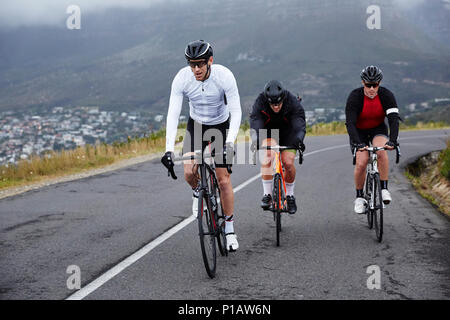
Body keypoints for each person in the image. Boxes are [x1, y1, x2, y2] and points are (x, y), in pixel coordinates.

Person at [161, 40, 242, 251]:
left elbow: (236, 111)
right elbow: (173, 113)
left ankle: (230, 230)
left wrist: (230, 143)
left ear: (210, 61)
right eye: (191, 64)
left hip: (221, 126)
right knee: (188, 172)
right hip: (196, 125)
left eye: (200, 64)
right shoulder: (182, 78)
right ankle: (198, 191)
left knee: (223, 180)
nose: (195, 69)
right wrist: (168, 150)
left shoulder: (224, 76)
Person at [345, 65, 400, 214]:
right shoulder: (355, 97)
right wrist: (357, 143)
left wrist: (393, 141)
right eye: (368, 85)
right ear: (363, 83)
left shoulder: (386, 95)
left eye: (374, 85)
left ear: (379, 83)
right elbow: (350, 123)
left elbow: (393, 120)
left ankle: (383, 189)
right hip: (359, 132)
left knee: (382, 152)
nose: (371, 89)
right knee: (362, 162)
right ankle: (359, 197)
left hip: (378, 129)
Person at [249, 80, 306, 214]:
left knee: (288, 162)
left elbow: (299, 122)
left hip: (288, 133)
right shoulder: (260, 101)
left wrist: (299, 139)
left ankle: (290, 195)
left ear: (283, 99)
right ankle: (267, 194)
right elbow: (256, 121)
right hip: (269, 133)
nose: (276, 107)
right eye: (272, 104)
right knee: (268, 157)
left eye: (278, 104)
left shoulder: (292, 100)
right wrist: (256, 139)